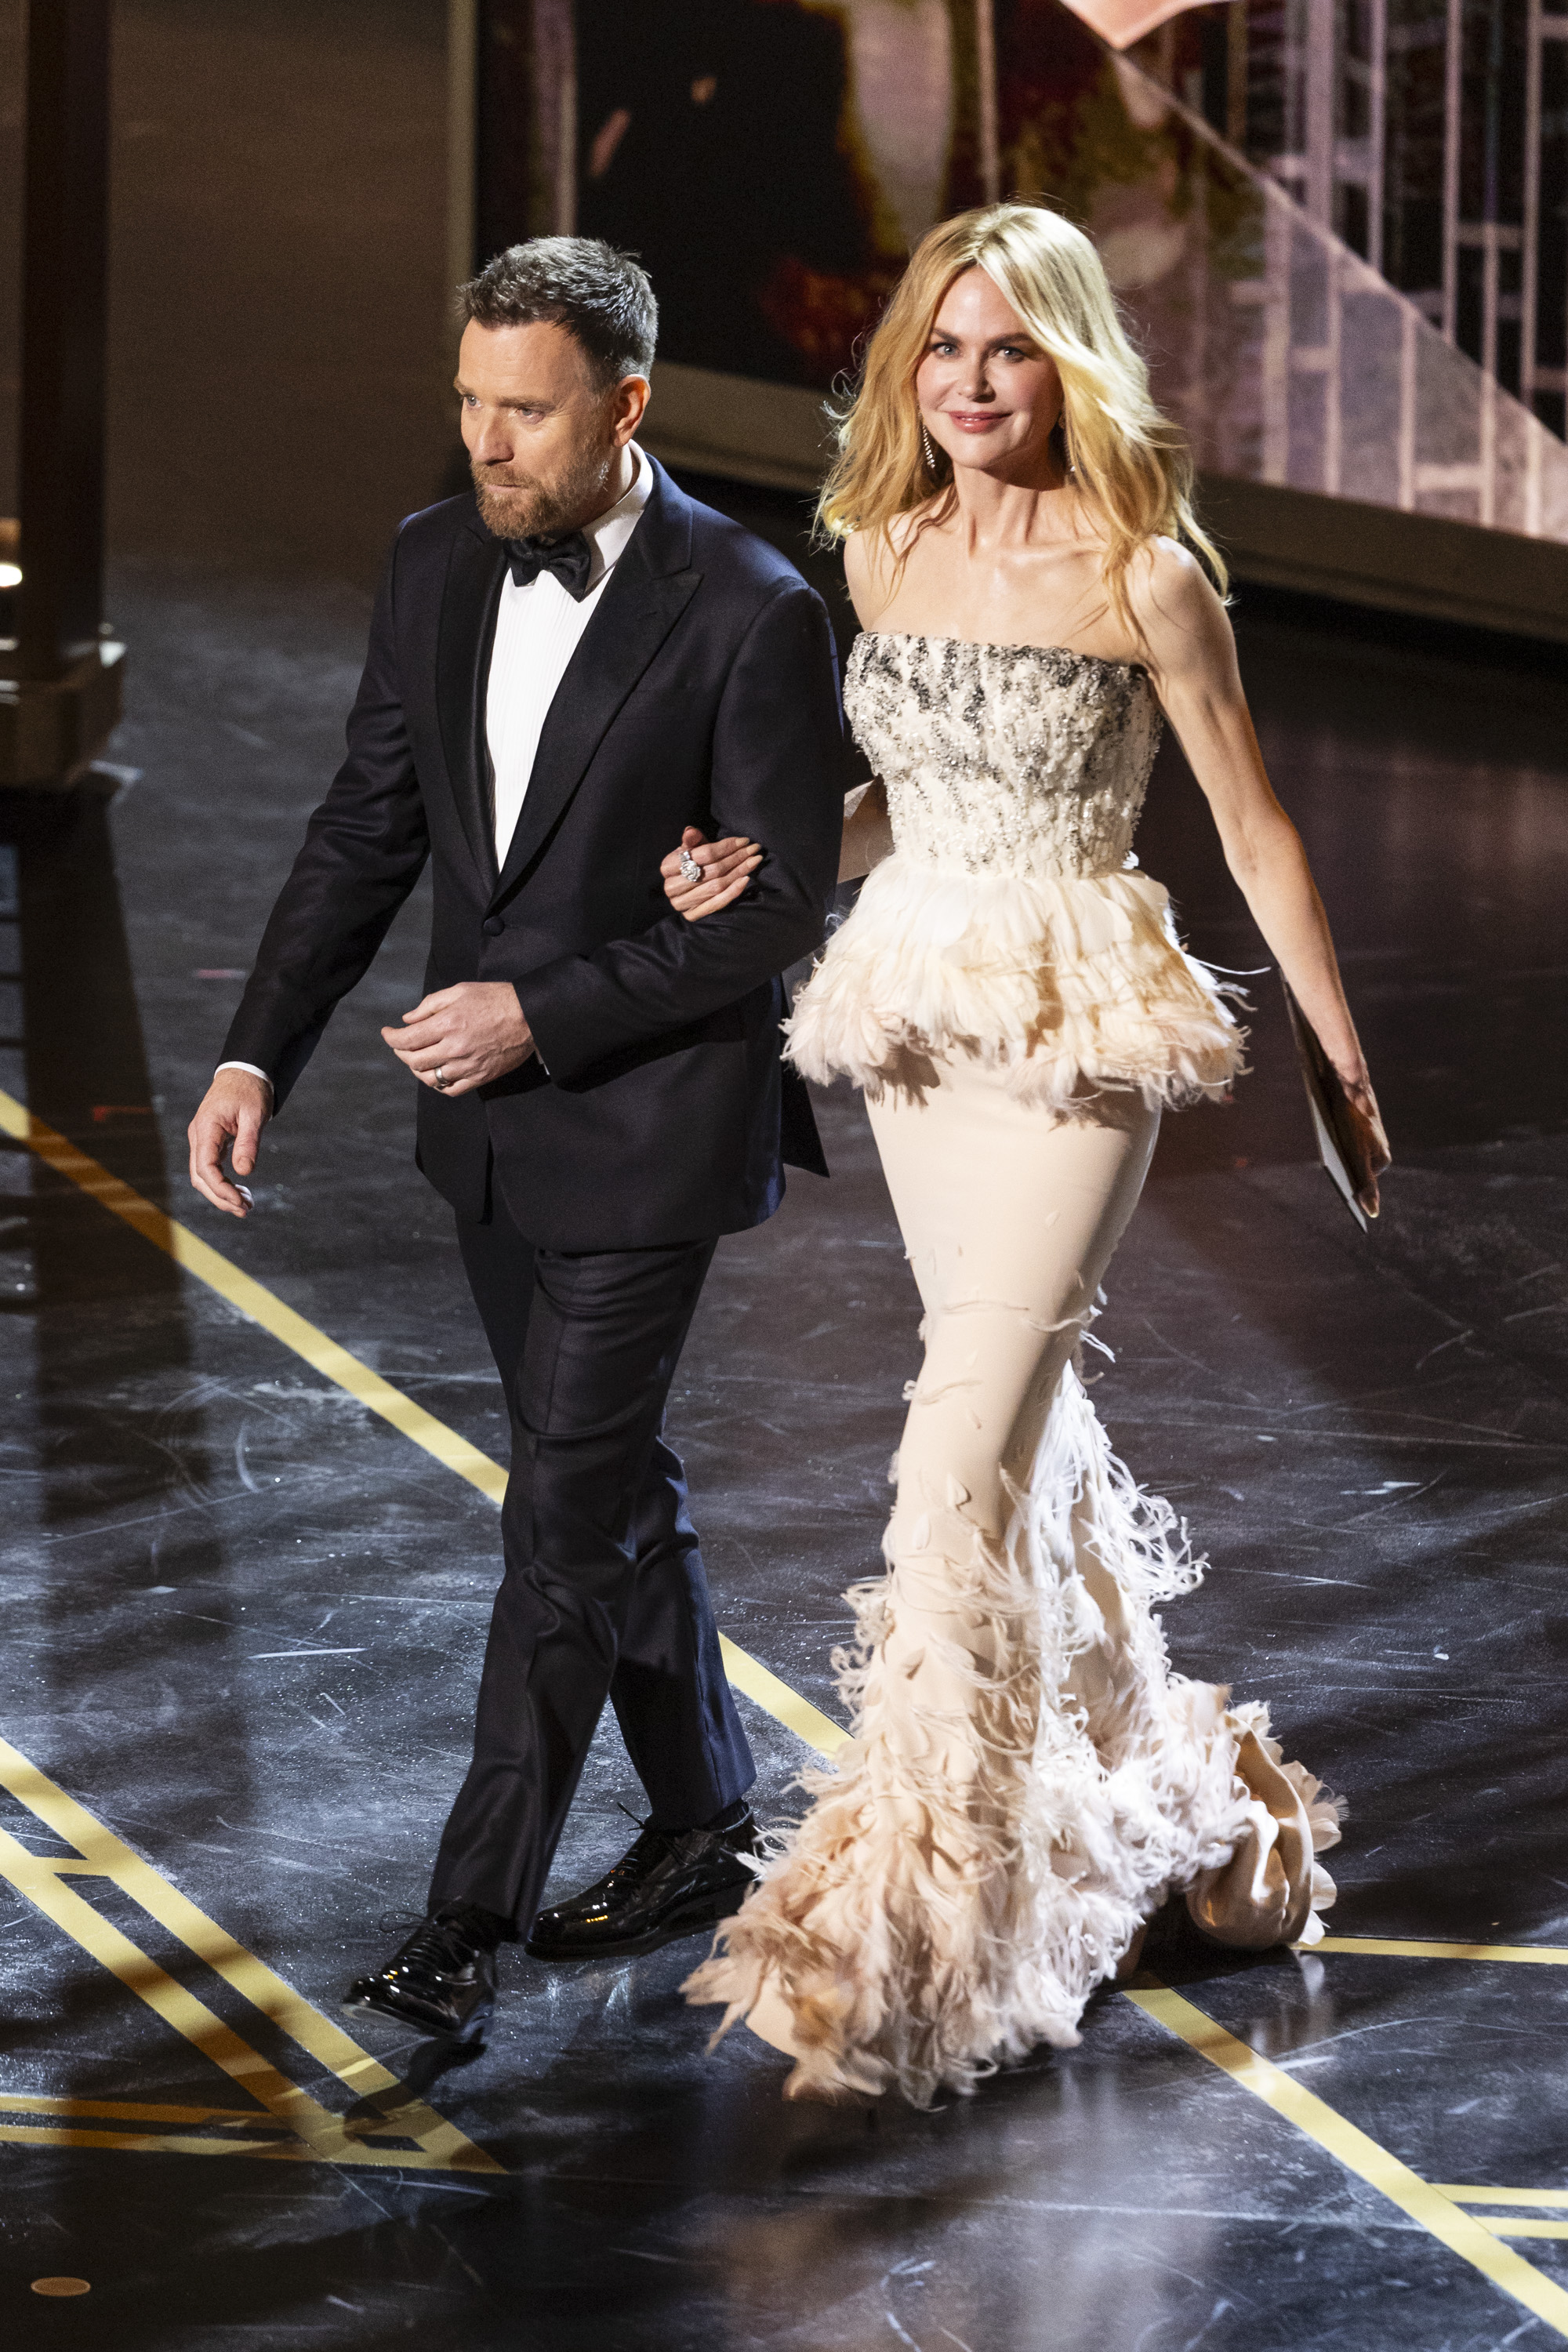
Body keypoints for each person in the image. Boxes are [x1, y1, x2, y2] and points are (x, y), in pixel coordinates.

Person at [662, 202, 1389, 2107]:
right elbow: (901, 804)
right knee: (1018, 1424)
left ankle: (905, 1926)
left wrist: (1337, 1056)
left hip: (1075, 1023)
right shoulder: (880, 545)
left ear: (1067, 369)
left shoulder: (1147, 576)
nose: (972, 384)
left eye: (1009, 352)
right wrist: (766, 859)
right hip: (918, 1012)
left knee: (953, 1454)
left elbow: (1252, 826)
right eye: (944, 347)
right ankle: (1181, 1800)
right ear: (907, 361)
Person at [186, 237, 844, 2041]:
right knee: (607, 1486)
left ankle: (464, 1922)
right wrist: (256, 1054)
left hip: (649, 1125)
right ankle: (705, 1821)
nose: (486, 441)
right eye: (471, 401)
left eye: (525, 412)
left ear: (625, 406)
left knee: (557, 1520)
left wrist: (537, 1014)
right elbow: (365, 829)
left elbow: (776, 907)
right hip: (488, 1137)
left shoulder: (750, 608)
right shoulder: (430, 561)